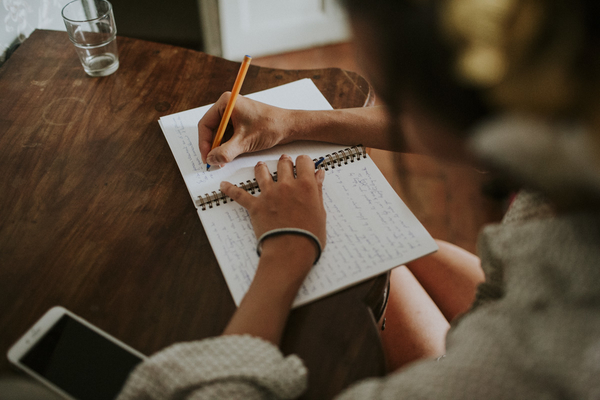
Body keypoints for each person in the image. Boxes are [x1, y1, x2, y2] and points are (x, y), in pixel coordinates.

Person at [117, 0, 600, 398]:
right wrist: (294, 122)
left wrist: (286, 251)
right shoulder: (571, 116)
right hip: (507, 287)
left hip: (494, 343)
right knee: (385, 248)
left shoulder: (525, 372)